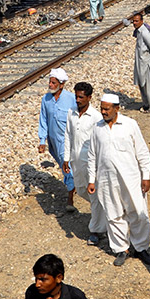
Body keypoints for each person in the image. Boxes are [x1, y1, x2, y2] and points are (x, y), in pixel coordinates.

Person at [87, 94, 150, 267]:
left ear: (117, 108)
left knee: (138, 213)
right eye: (101, 108)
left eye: (106, 109)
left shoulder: (130, 125)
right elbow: (92, 155)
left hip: (131, 178)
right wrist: (91, 179)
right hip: (106, 179)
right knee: (113, 213)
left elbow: (142, 152)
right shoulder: (97, 128)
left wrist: (146, 176)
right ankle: (121, 248)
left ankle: (140, 248)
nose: (103, 112)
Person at [63, 82, 106, 246]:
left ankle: (95, 230)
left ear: (89, 97)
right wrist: (66, 158)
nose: (78, 100)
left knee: (94, 195)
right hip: (75, 161)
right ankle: (104, 212)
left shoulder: (96, 117)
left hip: (91, 163)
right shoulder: (71, 113)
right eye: (76, 96)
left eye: (81, 97)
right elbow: (68, 135)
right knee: (80, 189)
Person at [39, 68, 78, 211]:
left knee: (67, 168)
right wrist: (42, 141)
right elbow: (43, 119)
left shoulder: (71, 99)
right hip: (53, 142)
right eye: (49, 82)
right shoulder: (46, 99)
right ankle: (76, 185)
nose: (50, 85)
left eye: (53, 83)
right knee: (66, 165)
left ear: (61, 85)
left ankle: (70, 200)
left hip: (66, 141)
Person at [21, 253, 93, 299]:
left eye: (43, 280)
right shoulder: (32, 293)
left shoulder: (76, 298)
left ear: (58, 278)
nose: (37, 284)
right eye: (36, 279)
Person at [132, 13, 150, 112]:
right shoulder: (139, 31)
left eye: (136, 21)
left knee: (149, 84)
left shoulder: (144, 32)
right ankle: (146, 104)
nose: (134, 23)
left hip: (146, 62)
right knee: (142, 84)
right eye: (133, 21)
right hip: (141, 62)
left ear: (141, 21)